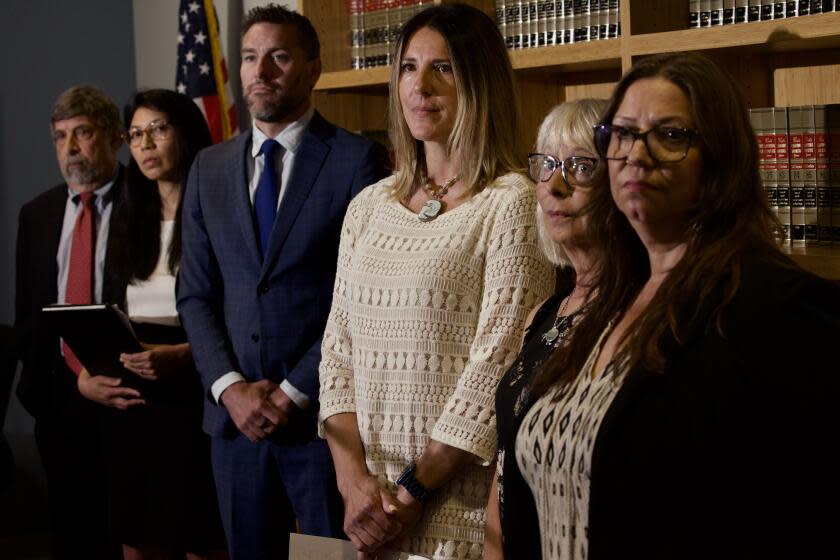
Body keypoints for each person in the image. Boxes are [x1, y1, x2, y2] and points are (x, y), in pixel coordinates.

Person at [514, 51, 840, 560]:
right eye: (621, 135)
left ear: (720, 158)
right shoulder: (607, 300)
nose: (636, 156)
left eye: (669, 136)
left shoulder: (779, 306)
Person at [318, 4, 554, 559]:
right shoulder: (367, 207)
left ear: (480, 83)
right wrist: (352, 483)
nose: (419, 86)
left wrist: (414, 490)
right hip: (368, 515)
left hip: (458, 512)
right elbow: (336, 353)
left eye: (442, 69)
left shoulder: (513, 202)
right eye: (408, 68)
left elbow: (496, 365)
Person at [176, 4, 390, 559]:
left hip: (322, 425)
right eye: (249, 57)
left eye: (278, 56)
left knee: (324, 556)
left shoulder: (356, 161)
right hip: (234, 428)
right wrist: (229, 387)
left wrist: (293, 391)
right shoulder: (208, 169)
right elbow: (196, 293)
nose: (260, 72)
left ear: (313, 68)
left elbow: (359, 301)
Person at [76, 89, 227, 560]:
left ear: (184, 132)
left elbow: (232, 314)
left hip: (195, 396)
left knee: (201, 539)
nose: (144, 144)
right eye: (135, 134)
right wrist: (88, 373)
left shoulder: (219, 212)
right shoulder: (127, 215)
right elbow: (110, 308)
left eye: (158, 129)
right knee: (139, 541)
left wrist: (185, 355)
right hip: (135, 403)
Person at [482, 99, 610, 560]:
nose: (554, 186)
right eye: (546, 165)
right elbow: (504, 464)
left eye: (579, 167)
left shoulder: (633, 317)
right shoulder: (543, 314)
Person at [14, 85, 125, 559]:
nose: (71, 149)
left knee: (124, 535)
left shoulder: (146, 203)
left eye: (82, 133)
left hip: (124, 397)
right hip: (60, 403)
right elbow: (29, 316)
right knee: (72, 538)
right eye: (61, 137)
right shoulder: (36, 215)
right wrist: (42, 391)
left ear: (113, 137)